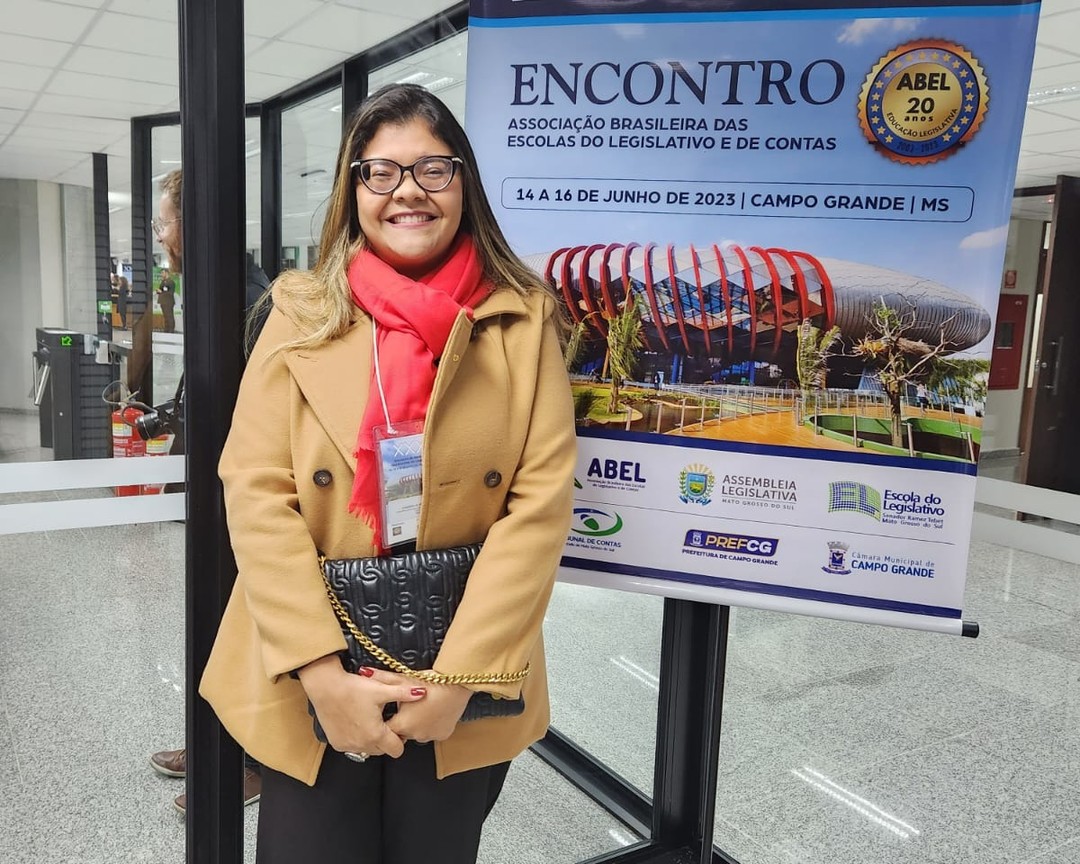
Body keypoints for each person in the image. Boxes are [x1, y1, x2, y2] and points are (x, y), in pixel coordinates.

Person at [199, 83, 576, 863]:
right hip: (312, 667)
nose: (407, 190)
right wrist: (323, 676)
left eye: (432, 169)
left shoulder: (523, 318)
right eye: (381, 172)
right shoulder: (300, 314)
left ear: (463, 183)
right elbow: (257, 491)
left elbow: (538, 506)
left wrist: (457, 683)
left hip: (460, 671)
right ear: (354, 189)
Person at [148, 168, 272, 813]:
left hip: (243, 498)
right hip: (214, 488)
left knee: (241, 623)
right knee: (213, 621)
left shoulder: (248, 299)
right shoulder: (212, 289)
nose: (159, 232)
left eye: (163, 220)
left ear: (186, 228)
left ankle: (249, 761)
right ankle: (212, 741)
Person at [157, 268, 176, 332]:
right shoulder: (163, 282)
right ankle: (166, 328)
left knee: (169, 315)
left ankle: (171, 329)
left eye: (162, 273)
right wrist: (159, 291)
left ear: (166, 273)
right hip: (163, 301)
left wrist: (161, 292)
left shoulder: (171, 282)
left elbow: (170, 292)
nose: (161, 274)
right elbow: (161, 289)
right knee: (165, 316)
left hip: (168, 301)